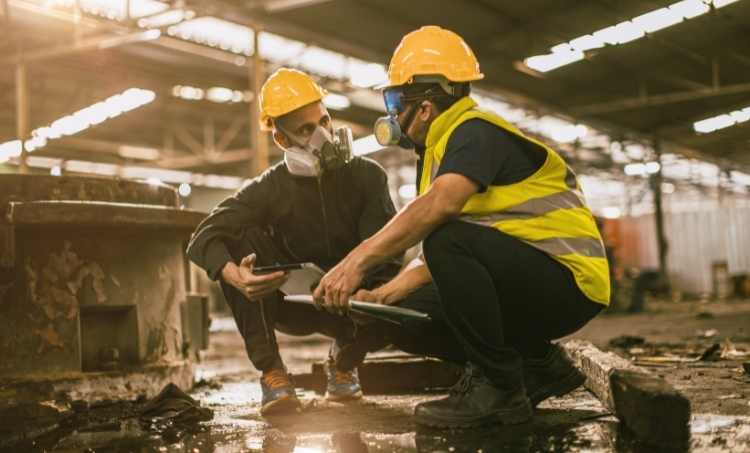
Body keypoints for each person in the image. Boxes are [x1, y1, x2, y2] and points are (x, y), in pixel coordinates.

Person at [313, 26, 610, 428]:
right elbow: (456, 256)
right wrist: (385, 296)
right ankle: (536, 366)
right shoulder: (439, 149)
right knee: (404, 319)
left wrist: (356, 262)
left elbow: (443, 215)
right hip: (532, 278)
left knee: (443, 234)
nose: (391, 113)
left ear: (425, 106)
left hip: (570, 283)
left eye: (395, 99)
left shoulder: (473, 130)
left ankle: (499, 386)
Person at [187, 68, 401, 416]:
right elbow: (204, 235)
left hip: (352, 306)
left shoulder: (367, 177)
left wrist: (368, 290)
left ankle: (344, 361)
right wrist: (234, 275)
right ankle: (273, 373)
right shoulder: (270, 187)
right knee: (241, 240)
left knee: (392, 284)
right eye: (306, 129)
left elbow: (388, 252)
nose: (324, 135)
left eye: (325, 121)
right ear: (282, 140)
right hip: (292, 305)